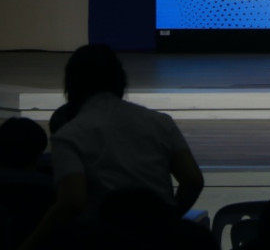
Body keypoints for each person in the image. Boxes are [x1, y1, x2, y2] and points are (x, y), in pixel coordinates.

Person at [18, 43, 205, 250]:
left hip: (101, 241)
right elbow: (193, 180)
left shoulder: (68, 136)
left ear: (71, 84)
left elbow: (73, 201)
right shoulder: (160, 122)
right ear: (120, 80)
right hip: (158, 237)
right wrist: (170, 221)